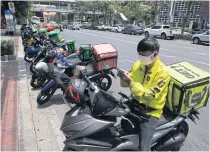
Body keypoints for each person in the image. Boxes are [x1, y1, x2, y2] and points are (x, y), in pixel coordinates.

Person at [117, 37, 170, 151]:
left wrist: (131, 83)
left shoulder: (163, 72)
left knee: (144, 148)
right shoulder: (138, 64)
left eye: (144, 55)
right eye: (139, 54)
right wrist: (123, 77)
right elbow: (128, 82)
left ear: (155, 54)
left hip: (150, 112)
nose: (141, 57)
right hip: (135, 103)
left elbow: (150, 93)